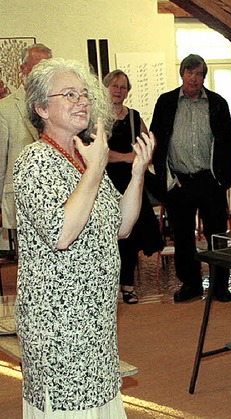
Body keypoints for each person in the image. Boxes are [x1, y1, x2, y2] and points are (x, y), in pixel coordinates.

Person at [14, 57, 155, 416]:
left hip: (96, 320)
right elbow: (62, 233)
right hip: (59, 325)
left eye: (84, 94)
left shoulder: (81, 156)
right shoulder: (34, 162)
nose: (82, 101)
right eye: (69, 94)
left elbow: (121, 226)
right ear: (42, 108)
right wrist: (96, 167)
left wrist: (137, 173)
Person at [150, 54, 231, 303]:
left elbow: (229, 142)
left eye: (199, 74)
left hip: (210, 181)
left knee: (216, 236)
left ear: (204, 77)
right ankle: (191, 284)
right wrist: (167, 178)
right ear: (182, 74)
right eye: (190, 73)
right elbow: (157, 142)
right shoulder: (166, 102)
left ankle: (220, 285)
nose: (194, 79)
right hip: (179, 182)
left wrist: (224, 179)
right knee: (183, 237)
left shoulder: (217, 103)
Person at [103, 70, 163, 304]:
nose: (119, 90)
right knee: (108, 238)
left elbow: (149, 144)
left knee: (131, 236)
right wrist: (128, 157)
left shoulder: (134, 116)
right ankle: (108, 288)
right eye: (114, 86)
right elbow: (98, 154)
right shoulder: (96, 116)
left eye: (123, 87)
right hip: (105, 183)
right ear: (105, 87)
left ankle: (127, 285)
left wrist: (137, 157)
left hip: (130, 183)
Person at [0, 44, 52, 238]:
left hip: (55, 200)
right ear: (23, 69)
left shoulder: (56, 106)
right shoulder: (5, 109)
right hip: (21, 200)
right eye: (38, 67)